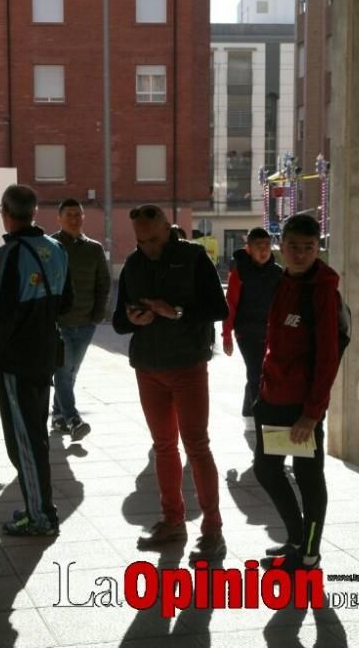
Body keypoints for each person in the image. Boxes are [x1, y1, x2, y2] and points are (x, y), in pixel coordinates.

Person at [112, 205, 229, 561]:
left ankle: (212, 528)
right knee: (163, 446)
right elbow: (118, 321)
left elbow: (219, 310)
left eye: (152, 238)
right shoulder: (134, 263)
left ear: (167, 228)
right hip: (148, 365)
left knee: (196, 445)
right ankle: (172, 521)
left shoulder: (193, 257)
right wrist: (135, 318)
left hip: (187, 364)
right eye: (140, 240)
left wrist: (175, 312)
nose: (147, 246)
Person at [252, 213, 340, 571]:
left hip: (301, 405)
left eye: (309, 247)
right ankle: (295, 538)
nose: (301, 254)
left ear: (318, 248)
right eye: (293, 247)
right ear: (281, 246)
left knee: (307, 477)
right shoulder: (282, 280)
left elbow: (328, 358)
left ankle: (309, 552)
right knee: (266, 470)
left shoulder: (322, 292)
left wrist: (312, 413)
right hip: (272, 397)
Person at [0, 184, 72, 536]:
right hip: (46, 352)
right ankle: (40, 508)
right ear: (35, 213)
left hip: (16, 359)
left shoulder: (9, 254)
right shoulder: (57, 248)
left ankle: (40, 515)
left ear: (6, 213)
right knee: (36, 433)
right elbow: (67, 303)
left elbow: (1, 312)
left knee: (23, 440)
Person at [50, 198, 111, 440]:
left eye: (78, 214)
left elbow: (103, 283)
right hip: (60, 323)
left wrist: (97, 315)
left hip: (86, 323)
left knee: (71, 372)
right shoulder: (51, 246)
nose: (74, 219)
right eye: (69, 215)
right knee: (64, 371)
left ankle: (57, 416)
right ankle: (73, 419)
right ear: (60, 218)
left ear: (83, 217)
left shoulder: (94, 248)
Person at [221, 227, 283, 432]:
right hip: (246, 332)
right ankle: (260, 420)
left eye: (267, 245)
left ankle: (249, 413)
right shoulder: (240, 273)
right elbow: (230, 304)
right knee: (257, 372)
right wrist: (226, 335)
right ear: (249, 248)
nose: (264, 250)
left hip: (271, 332)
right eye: (259, 246)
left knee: (261, 373)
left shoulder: (278, 273)